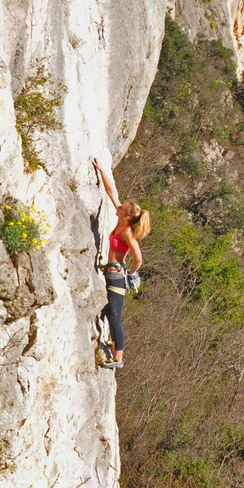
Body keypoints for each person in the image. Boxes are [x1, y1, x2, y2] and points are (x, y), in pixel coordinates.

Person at [93, 157, 150, 369]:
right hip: (110, 272)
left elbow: (139, 257)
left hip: (117, 276)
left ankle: (118, 359)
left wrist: (132, 274)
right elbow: (112, 193)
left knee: (115, 315)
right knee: (109, 310)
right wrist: (101, 171)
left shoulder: (127, 233)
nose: (119, 207)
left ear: (126, 217)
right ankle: (115, 343)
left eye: (122, 208)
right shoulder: (120, 221)